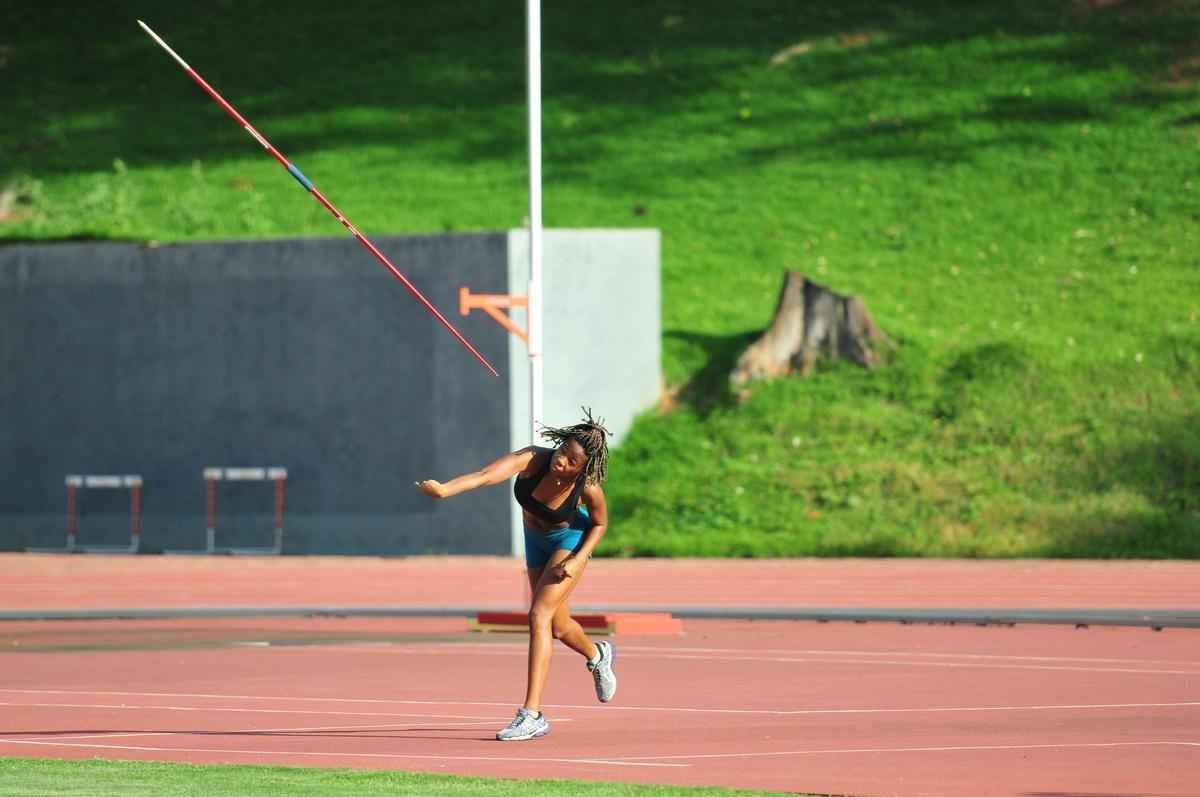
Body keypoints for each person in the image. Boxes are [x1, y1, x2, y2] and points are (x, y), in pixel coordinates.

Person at [415, 409, 618, 741]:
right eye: (562, 451)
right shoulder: (534, 459)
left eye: (571, 462)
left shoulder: (588, 488)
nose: (561, 461)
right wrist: (444, 490)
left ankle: (532, 715)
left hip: (568, 541)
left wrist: (578, 559)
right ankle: (598, 655)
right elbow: (485, 475)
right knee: (558, 626)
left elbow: (600, 523)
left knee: (538, 615)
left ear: (582, 469)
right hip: (534, 539)